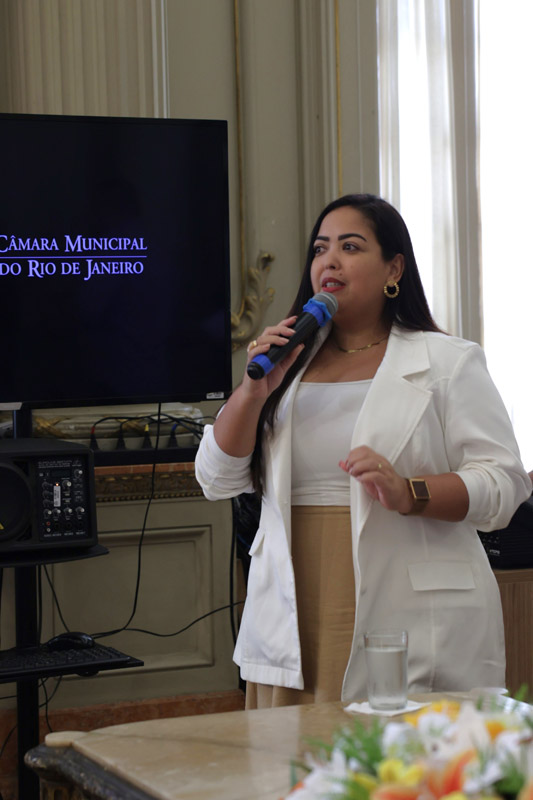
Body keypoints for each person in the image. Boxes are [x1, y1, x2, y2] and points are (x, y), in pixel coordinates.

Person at [195, 193, 531, 709]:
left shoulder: (447, 361)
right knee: (292, 774)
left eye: (350, 247)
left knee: (393, 774)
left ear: (393, 267)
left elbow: (505, 484)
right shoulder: (285, 366)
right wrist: (253, 391)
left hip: (406, 602)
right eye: (320, 248)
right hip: (294, 602)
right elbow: (216, 478)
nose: (329, 260)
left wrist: (410, 491)